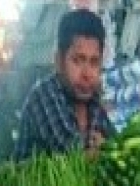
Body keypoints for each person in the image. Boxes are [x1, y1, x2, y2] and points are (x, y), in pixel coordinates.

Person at [14, 9, 115, 159]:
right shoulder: (43, 97)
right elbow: (73, 156)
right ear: (59, 61)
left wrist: (107, 149)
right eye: (77, 60)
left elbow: (115, 147)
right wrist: (106, 151)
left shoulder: (94, 103)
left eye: (94, 62)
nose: (87, 74)